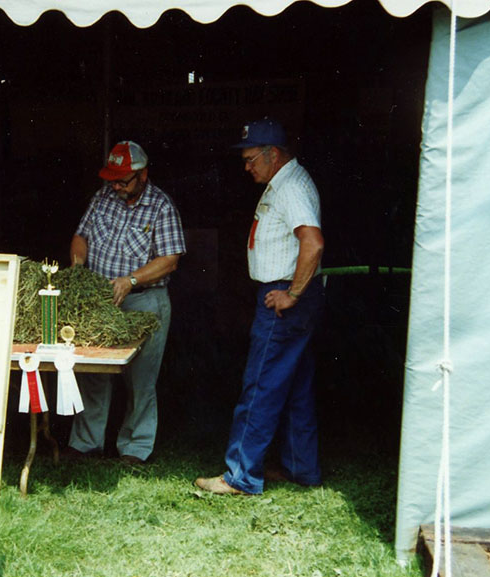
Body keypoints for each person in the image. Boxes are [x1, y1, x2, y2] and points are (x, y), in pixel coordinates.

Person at [195, 118, 325, 494]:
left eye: (252, 158)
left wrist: (293, 294)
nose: (246, 166)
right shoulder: (284, 183)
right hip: (286, 296)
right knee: (296, 388)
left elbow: (313, 243)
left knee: (260, 386)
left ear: (274, 154)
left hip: (283, 300)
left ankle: (240, 474)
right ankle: (302, 468)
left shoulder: (290, 189)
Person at [67, 140, 186, 464]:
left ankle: (135, 449)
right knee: (92, 372)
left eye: (122, 180)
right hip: (101, 301)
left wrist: (131, 280)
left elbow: (170, 259)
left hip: (144, 302)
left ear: (143, 175)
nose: (116, 186)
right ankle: (86, 445)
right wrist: (79, 269)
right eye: (112, 179)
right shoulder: (103, 196)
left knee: (141, 379)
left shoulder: (161, 206)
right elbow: (81, 236)